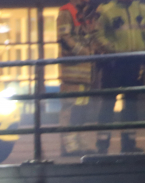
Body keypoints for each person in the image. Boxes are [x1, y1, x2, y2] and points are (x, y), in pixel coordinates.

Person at [93, 0, 145, 153]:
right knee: (108, 103)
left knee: (130, 104)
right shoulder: (106, 10)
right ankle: (102, 145)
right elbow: (97, 35)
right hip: (114, 63)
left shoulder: (141, 9)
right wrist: (113, 49)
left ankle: (128, 143)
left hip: (134, 62)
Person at [57, 0, 97, 155]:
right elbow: (65, 38)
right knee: (70, 108)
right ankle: (69, 145)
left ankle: (80, 141)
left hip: (85, 72)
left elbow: (89, 37)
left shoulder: (84, 13)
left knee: (81, 109)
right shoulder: (66, 13)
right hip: (72, 72)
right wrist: (84, 52)